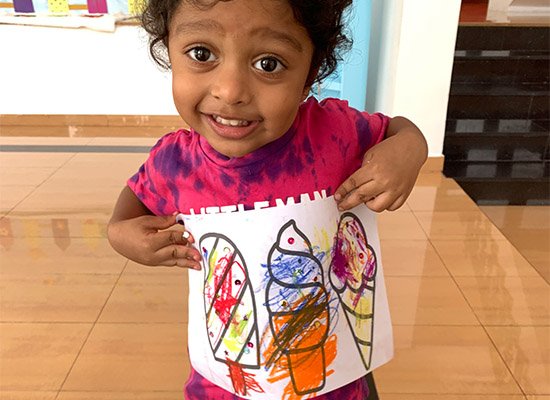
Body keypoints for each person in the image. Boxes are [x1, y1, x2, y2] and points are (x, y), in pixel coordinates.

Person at [107, 0, 428, 398]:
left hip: (333, 381)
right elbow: (132, 204)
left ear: (310, 74)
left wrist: (411, 146)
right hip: (223, 384)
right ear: (169, 50)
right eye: (202, 54)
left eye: (268, 64)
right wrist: (121, 235)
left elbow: (397, 131)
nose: (230, 91)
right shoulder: (175, 163)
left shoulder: (336, 134)